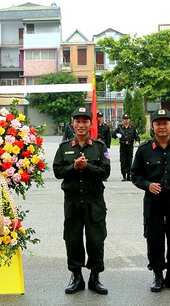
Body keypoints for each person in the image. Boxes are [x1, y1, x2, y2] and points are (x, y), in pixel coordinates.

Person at [131, 109, 170, 293]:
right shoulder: (144, 150)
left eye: (165, 123)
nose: (161, 127)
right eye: (158, 123)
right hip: (154, 201)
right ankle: (158, 275)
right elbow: (135, 175)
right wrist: (147, 185)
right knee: (155, 238)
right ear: (152, 126)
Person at [53, 106, 111, 295]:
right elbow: (57, 172)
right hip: (72, 202)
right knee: (73, 239)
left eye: (85, 121)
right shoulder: (64, 148)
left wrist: (87, 167)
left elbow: (105, 172)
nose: (81, 125)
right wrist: (73, 167)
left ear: (90, 124)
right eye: (77, 121)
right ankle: (76, 277)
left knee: (96, 239)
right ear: (72, 124)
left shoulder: (100, 147)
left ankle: (95, 278)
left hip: (94, 202)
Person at [112, 114, 140, 181]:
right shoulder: (120, 128)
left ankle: (129, 175)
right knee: (123, 161)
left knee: (129, 161)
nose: (126, 120)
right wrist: (116, 134)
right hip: (123, 146)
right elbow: (113, 134)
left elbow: (136, 136)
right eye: (124, 119)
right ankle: (124, 175)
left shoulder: (132, 128)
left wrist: (137, 141)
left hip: (130, 146)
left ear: (129, 120)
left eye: (127, 119)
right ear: (123, 120)